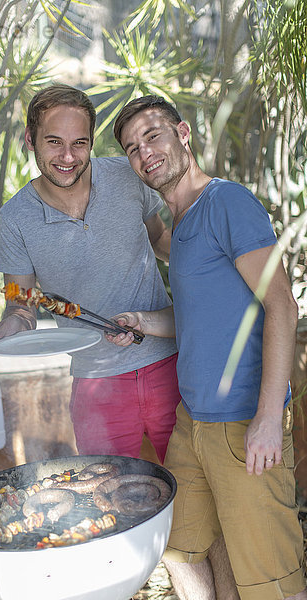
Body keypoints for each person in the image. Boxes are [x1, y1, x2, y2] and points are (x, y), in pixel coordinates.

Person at [110, 95, 306, 600]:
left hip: (243, 423)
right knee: (179, 550)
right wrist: (140, 322)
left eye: (152, 136)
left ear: (183, 133)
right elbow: (198, 316)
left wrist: (267, 417)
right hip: (192, 423)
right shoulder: (182, 228)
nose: (144, 153)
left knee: (271, 579)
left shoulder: (227, 203)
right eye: (132, 148)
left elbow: (281, 306)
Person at [0, 84, 180, 464]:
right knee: (107, 496)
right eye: (54, 142)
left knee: (192, 489)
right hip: (96, 386)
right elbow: (21, 303)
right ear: (30, 139)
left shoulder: (127, 176)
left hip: (170, 365)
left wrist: (216, 267)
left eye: (79, 143)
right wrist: (14, 325)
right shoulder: (14, 219)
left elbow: (160, 239)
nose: (67, 156)